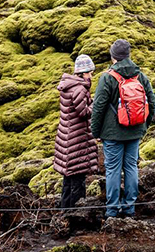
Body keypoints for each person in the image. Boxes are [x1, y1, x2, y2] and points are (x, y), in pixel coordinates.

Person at [90, 39, 155, 218]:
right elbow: (152, 101)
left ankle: (112, 210)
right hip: (135, 132)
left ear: (113, 57)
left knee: (112, 170)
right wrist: (144, 126)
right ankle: (129, 208)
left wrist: (95, 132)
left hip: (112, 134)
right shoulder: (140, 75)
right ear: (128, 55)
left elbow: (98, 107)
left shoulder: (107, 77)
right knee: (131, 167)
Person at [53, 54, 99, 209]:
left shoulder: (68, 86)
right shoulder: (79, 88)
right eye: (90, 72)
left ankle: (65, 210)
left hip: (67, 137)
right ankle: (76, 214)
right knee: (78, 181)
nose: (91, 75)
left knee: (68, 179)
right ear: (84, 72)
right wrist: (96, 105)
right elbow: (83, 112)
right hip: (77, 140)